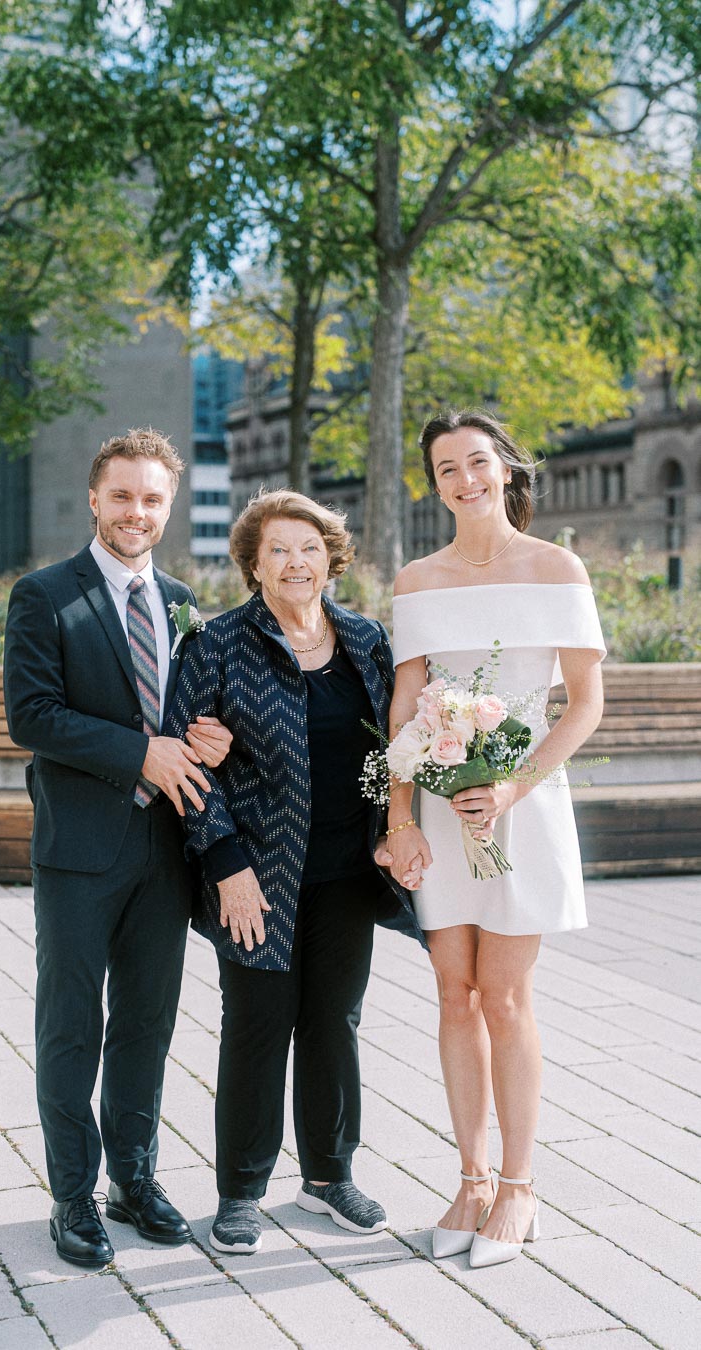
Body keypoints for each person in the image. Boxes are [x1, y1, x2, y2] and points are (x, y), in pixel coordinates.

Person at [165, 489, 426, 1255]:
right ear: (252, 564)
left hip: (350, 872)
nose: (296, 561)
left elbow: (395, 744)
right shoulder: (215, 645)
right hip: (258, 877)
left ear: (331, 557)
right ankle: (241, 1192)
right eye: (277, 549)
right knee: (255, 1026)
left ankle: (328, 1177)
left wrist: (397, 828)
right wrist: (225, 863)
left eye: (308, 547)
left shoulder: (366, 641)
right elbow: (186, 766)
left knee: (333, 1023)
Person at [378, 408, 605, 1269]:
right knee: (451, 992)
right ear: (434, 485)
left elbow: (583, 703)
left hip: (524, 802)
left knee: (504, 997)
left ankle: (519, 1189)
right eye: (446, 469)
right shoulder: (417, 579)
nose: (465, 480)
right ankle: (469, 1182)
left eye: (478, 463)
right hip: (437, 803)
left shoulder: (558, 568)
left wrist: (514, 784)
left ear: (507, 470)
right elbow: (405, 706)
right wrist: (399, 820)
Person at [3, 428, 232, 1268]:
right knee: (71, 1026)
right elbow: (32, 715)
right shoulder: (44, 594)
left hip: (165, 850)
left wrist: (208, 738)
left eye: (153, 499)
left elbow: (189, 715)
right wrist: (141, 752)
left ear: (168, 509)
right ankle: (74, 1199)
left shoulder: (183, 601)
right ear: (96, 498)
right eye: (124, 496)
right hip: (79, 850)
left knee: (146, 1023)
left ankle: (135, 1179)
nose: (138, 512)